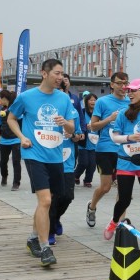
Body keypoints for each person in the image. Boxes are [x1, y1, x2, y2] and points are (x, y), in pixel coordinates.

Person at [7, 59, 76, 267]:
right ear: (44, 73)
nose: (60, 77)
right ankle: (46, 248)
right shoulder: (26, 97)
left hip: (55, 155)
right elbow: (11, 118)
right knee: (45, 200)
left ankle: (32, 238)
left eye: (62, 74)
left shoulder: (63, 98)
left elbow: (72, 128)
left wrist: (65, 124)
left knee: (49, 200)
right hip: (33, 153)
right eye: (57, 73)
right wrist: (22, 137)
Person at [103, 79, 140, 245]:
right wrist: (130, 137)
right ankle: (114, 221)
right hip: (126, 162)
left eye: (133, 90)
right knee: (125, 199)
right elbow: (115, 137)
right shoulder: (123, 113)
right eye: (128, 91)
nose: (129, 93)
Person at [85, 72, 130, 228]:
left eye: (125, 83)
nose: (123, 86)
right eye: (119, 83)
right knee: (106, 187)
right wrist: (110, 119)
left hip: (124, 150)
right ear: (112, 84)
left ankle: (119, 222)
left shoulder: (130, 103)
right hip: (105, 149)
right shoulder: (102, 102)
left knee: (124, 190)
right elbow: (93, 126)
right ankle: (92, 207)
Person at [49, 96, 82, 245]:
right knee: (52, 198)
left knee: (67, 196)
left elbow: (79, 136)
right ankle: (50, 231)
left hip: (67, 160)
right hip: (49, 159)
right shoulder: (46, 111)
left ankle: (56, 218)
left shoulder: (72, 113)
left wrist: (72, 135)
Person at [0, 90, 22, 191]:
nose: (0, 101)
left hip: (16, 139)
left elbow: (21, 120)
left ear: (5, 98)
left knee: (16, 161)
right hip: (4, 140)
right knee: (3, 162)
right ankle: (4, 176)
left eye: (1, 98)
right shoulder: (2, 110)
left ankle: (16, 182)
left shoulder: (15, 109)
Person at [74, 93, 98, 187]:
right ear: (86, 101)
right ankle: (75, 176)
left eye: (95, 100)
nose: (93, 102)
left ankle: (88, 180)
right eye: (91, 100)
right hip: (83, 142)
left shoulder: (98, 113)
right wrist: (85, 126)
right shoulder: (82, 112)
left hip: (94, 143)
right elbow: (78, 123)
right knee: (83, 162)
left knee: (92, 164)